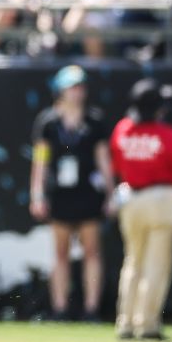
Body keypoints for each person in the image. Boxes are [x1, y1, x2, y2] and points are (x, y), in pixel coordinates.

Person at [110, 78, 172, 341]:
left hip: (131, 200)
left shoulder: (122, 129)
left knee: (132, 262)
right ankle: (147, 325)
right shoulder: (167, 134)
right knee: (155, 265)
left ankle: (125, 323)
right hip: (162, 198)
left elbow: (117, 167)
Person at [29, 66, 113, 322]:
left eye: (81, 87)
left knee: (91, 252)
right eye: (72, 87)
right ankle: (60, 308)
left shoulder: (94, 121)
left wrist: (110, 195)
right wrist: (37, 194)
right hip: (60, 194)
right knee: (60, 253)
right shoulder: (48, 123)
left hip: (88, 193)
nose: (78, 92)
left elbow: (103, 160)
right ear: (61, 90)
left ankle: (91, 308)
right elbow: (40, 162)